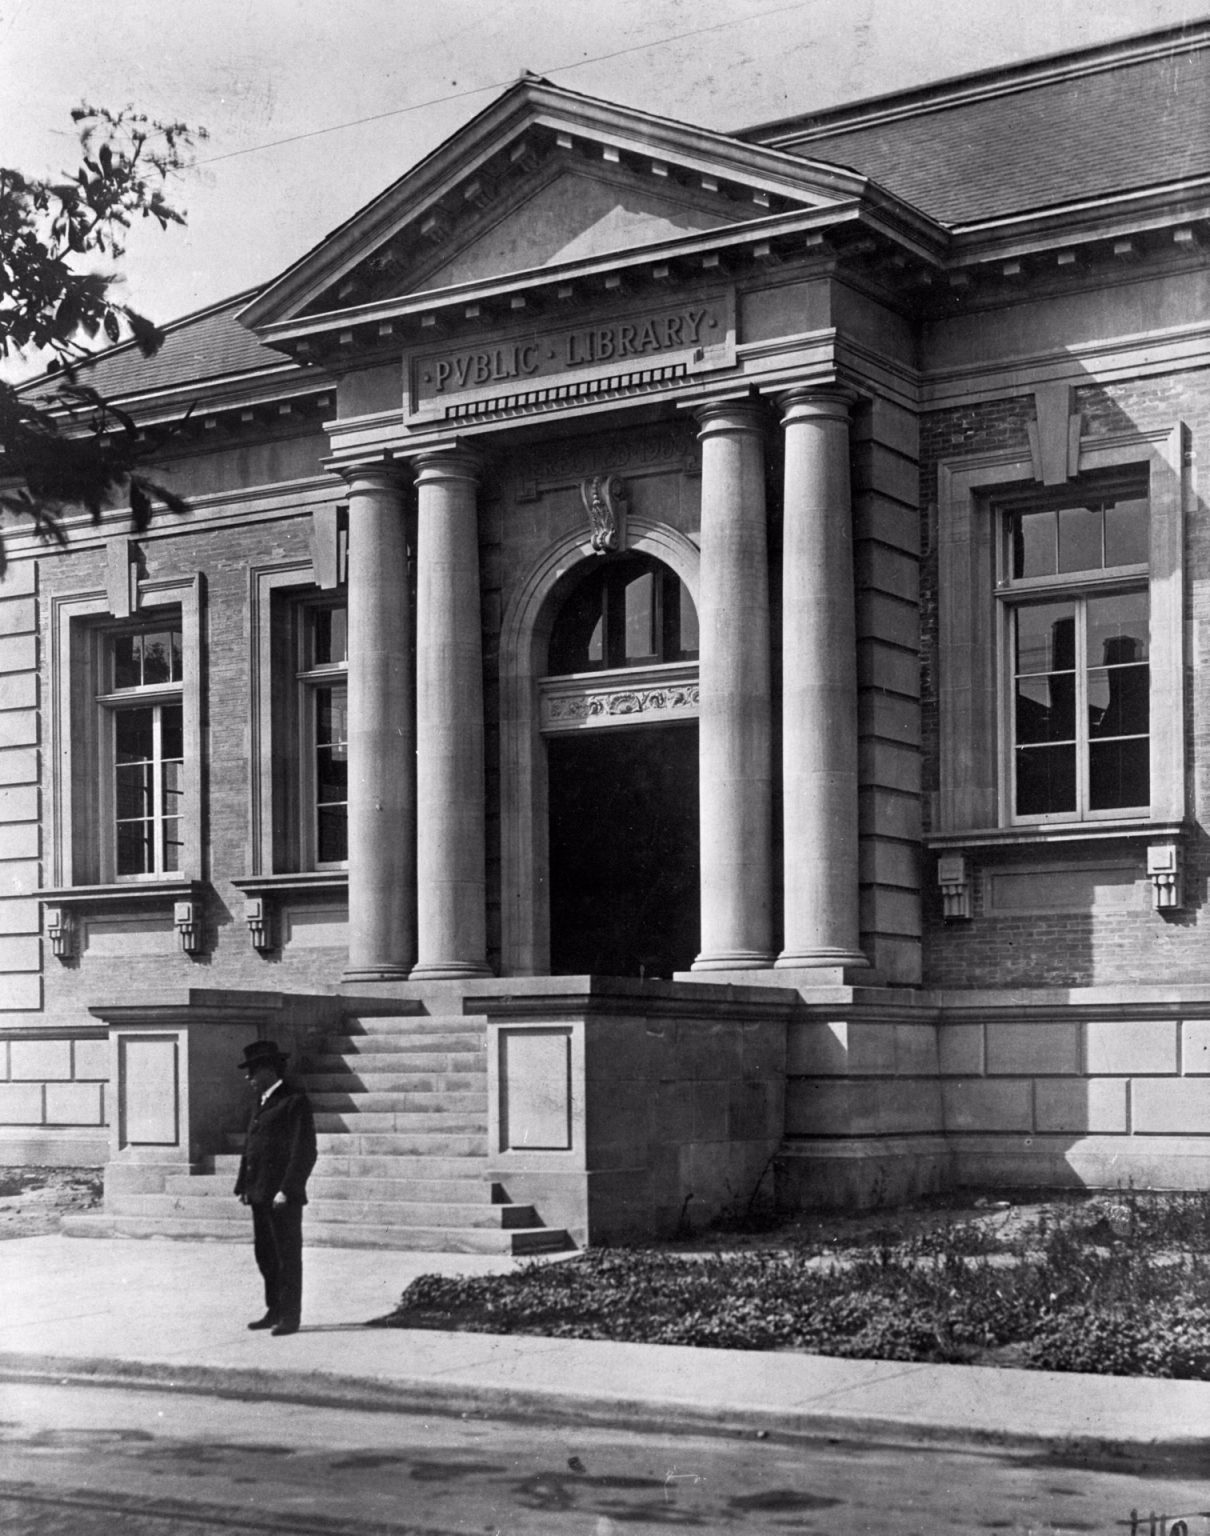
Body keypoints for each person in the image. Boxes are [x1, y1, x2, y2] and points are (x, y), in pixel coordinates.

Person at [234, 1039, 317, 1336]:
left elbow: (304, 1151)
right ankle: (274, 1310)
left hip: (281, 1196)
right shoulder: (260, 1102)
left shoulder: (294, 1100)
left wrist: (288, 1189)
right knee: (265, 1255)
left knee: (286, 1257)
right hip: (258, 1193)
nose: (248, 1078)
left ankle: (290, 1316)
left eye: (253, 1071)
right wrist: (243, 1184)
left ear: (269, 1070)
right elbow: (251, 1146)